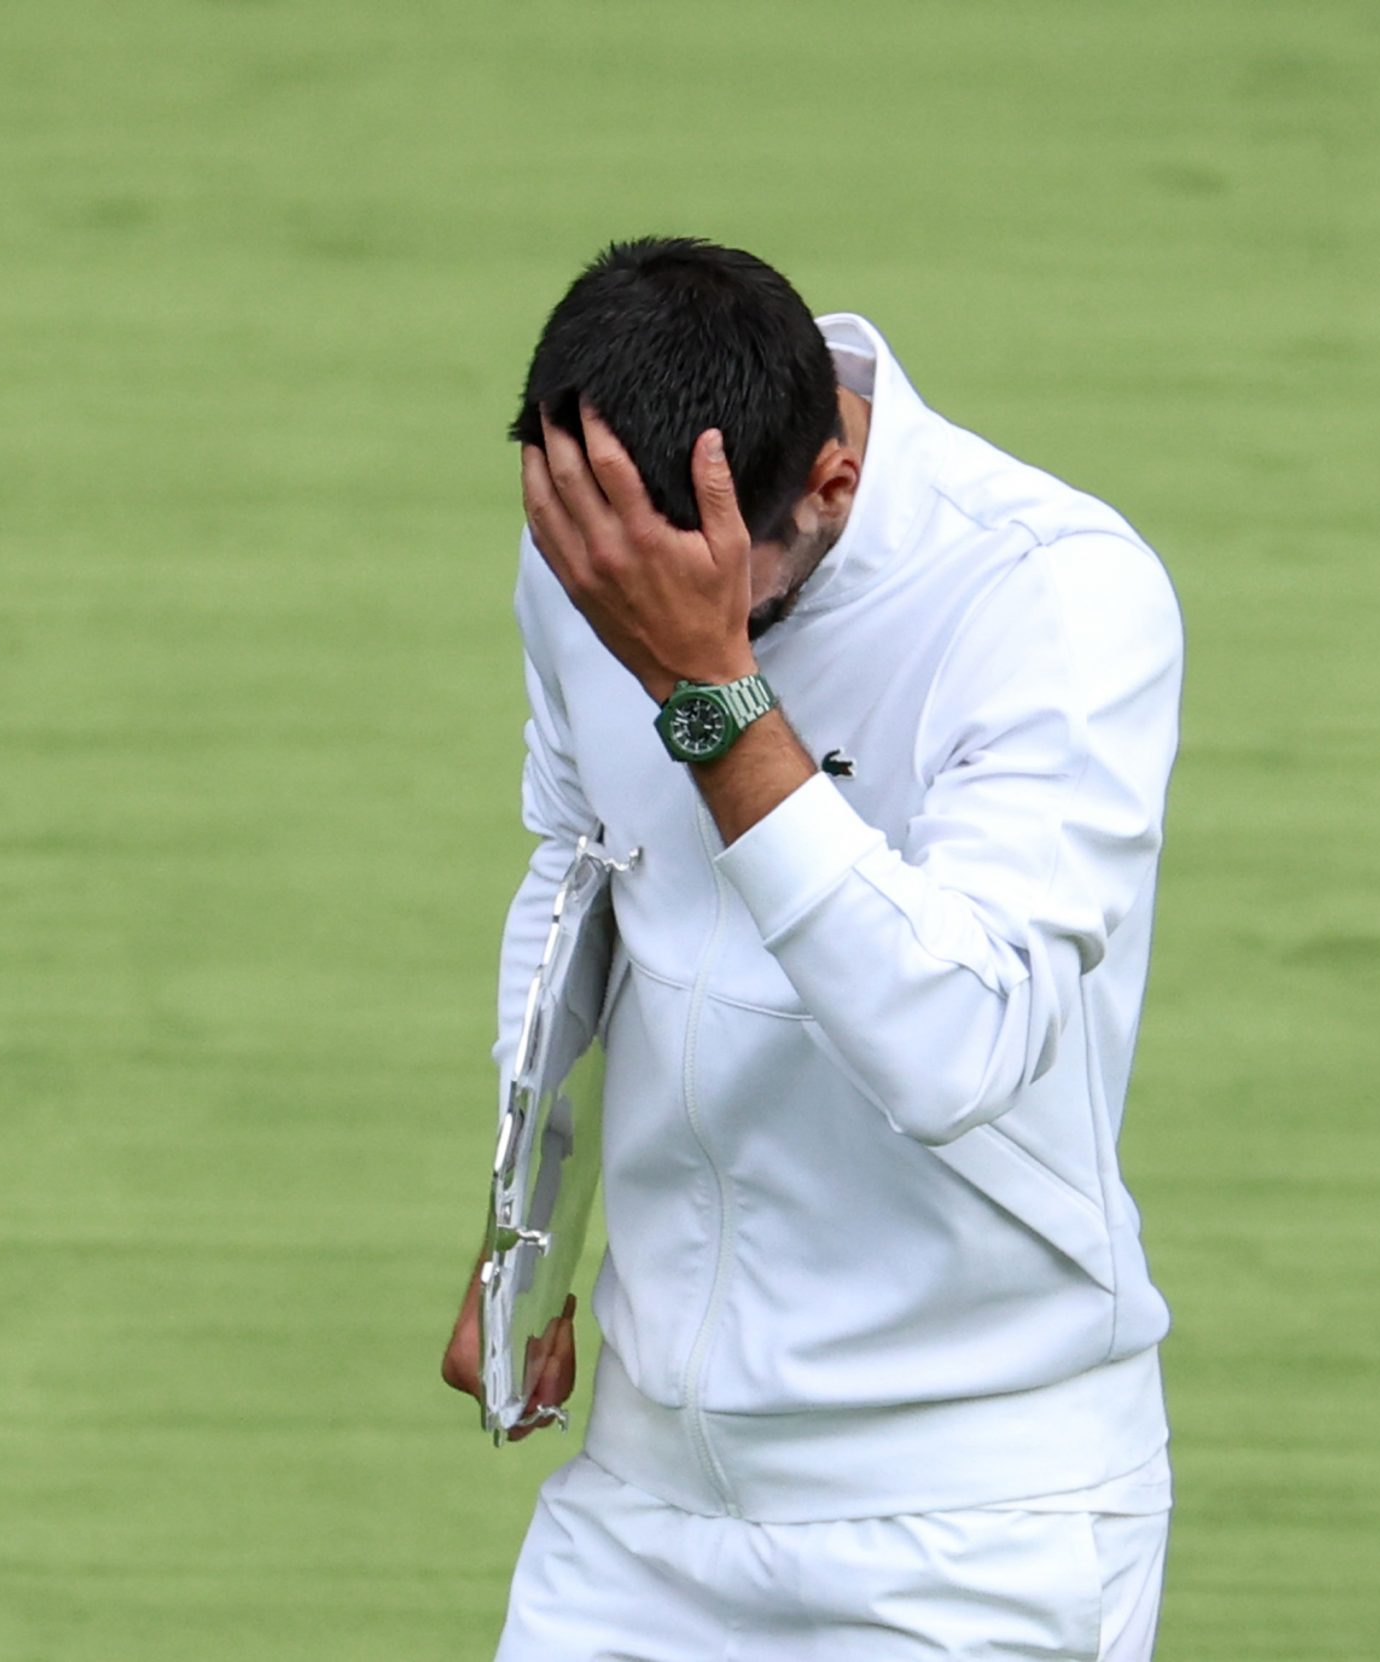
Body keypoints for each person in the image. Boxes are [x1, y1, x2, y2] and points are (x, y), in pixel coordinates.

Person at [440, 237, 1186, 1660]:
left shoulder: (1059, 599)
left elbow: (957, 1041)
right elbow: (583, 872)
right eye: (587, 567)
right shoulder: (607, 547)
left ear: (830, 485)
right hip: (643, 1504)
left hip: (975, 1526)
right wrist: (522, 1237)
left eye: (686, 589)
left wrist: (710, 690)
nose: (618, 610)